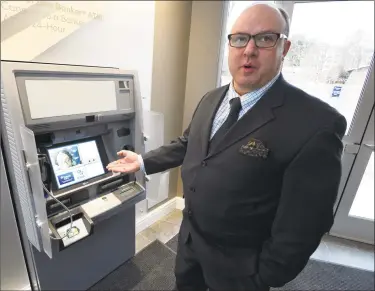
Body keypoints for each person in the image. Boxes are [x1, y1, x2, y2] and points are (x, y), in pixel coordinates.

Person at [107, 3, 347, 291]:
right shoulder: (211, 99)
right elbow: (189, 144)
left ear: (284, 48)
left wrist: (265, 275)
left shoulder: (315, 124)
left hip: (242, 269)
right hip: (190, 244)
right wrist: (143, 162)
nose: (249, 49)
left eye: (265, 39)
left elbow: (305, 223)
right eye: (240, 38)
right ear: (230, 44)